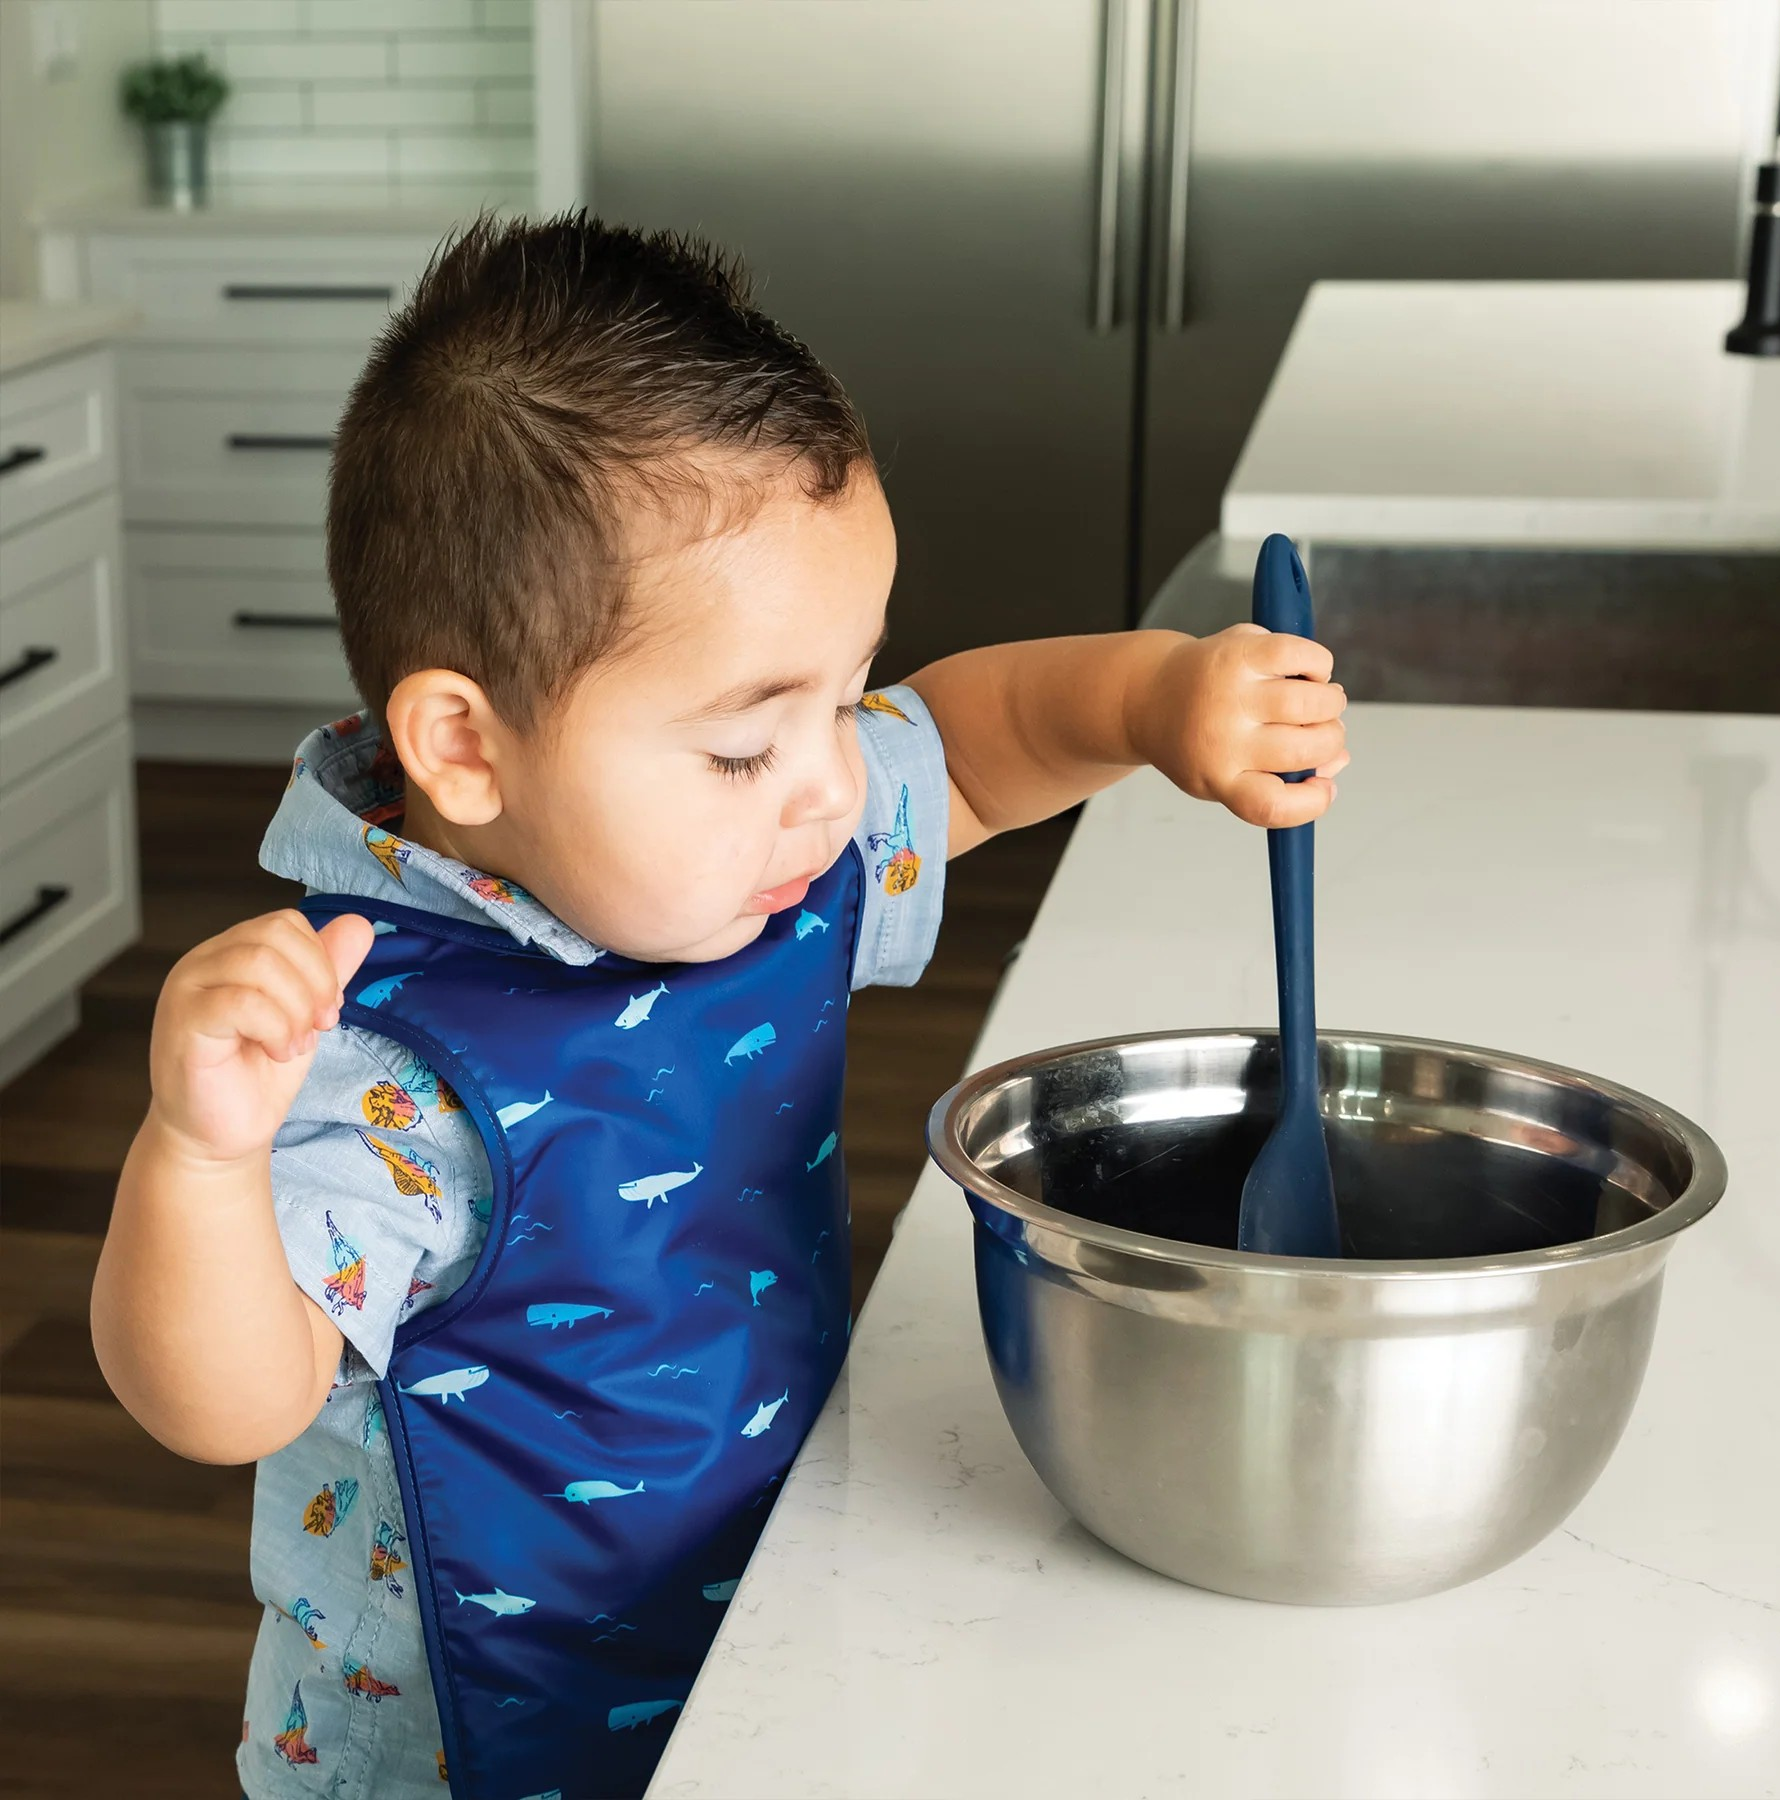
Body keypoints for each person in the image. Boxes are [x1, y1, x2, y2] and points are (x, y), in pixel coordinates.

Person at [90, 213, 1348, 1800]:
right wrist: (196, 1164)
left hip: (755, 1616)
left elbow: (954, 748)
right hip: (471, 1741)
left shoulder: (760, 848)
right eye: (750, 743)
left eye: (845, 687)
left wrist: (1153, 698)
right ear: (466, 750)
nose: (834, 783)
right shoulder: (375, 1070)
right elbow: (221, 1400)